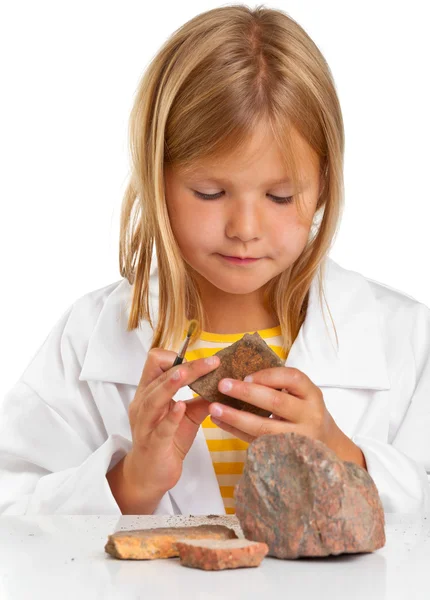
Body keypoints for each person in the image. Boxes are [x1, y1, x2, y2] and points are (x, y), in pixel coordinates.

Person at [1, 5, 429, 516]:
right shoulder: (89, 339)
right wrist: (130, 483)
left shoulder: (405, 339)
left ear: (323, 189)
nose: (244, 229)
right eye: (208, 192)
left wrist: (341, 454)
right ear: (157, 179)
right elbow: (12, 514)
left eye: (280, 196)